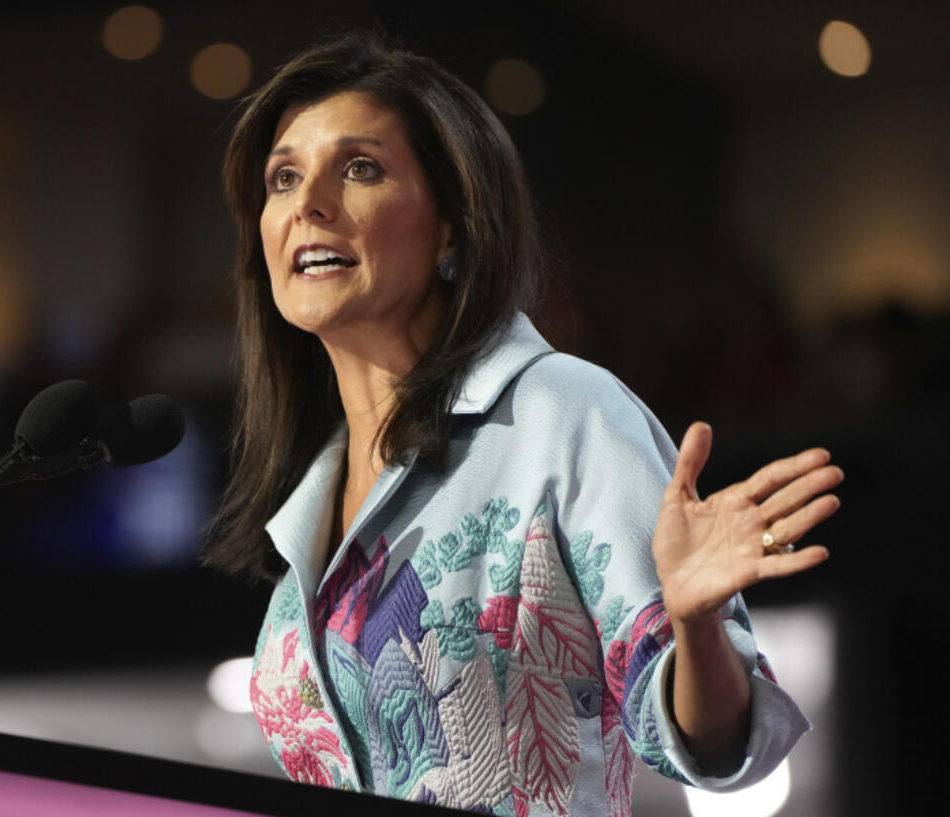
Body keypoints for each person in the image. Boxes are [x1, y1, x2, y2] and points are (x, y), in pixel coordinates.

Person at [204, 33, 842, 816]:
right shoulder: (313, 488)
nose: (308, 203)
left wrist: (696, 625)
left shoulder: (563, 413)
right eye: (283, 177)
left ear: (451, 224)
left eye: (360, 167)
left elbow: (724, 748)